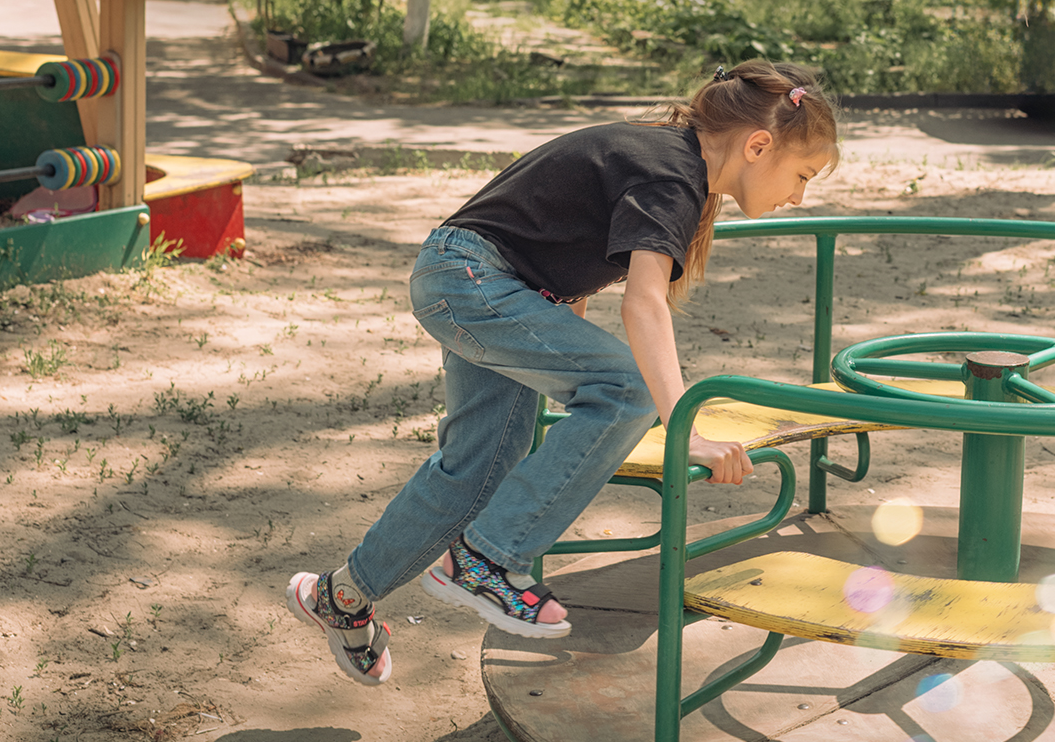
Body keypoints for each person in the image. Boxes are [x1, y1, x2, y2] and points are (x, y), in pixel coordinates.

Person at [286, 61, 838, 686]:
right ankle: (489, 560)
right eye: (802, 175)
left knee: (480, 467)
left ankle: (342, 597)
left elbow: (553, 234)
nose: (799, 195)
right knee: (627, 388)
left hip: (475, 281)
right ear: (758, 145)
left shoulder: (673, 162)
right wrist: (689, 427)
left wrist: (562, 333)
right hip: (475, 282)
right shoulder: (673, 174)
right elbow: (644, 303)